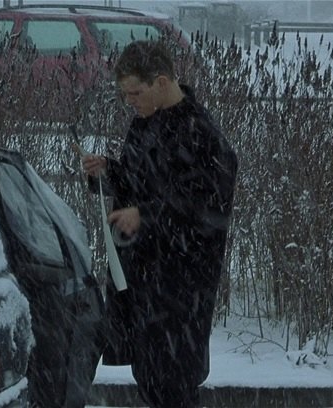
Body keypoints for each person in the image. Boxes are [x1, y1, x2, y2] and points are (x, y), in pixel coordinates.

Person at [82, 40, 238, 408]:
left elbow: (208, 207)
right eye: (125, 95)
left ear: (162, 82)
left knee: (175, 384)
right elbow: (136, 184)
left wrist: (148, 216)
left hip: (181, 286)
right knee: (149, 379)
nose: (130, 102)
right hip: (141, 279)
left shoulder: (202, 134)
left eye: (135, 92)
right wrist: (107, 172)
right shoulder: (143, 126)